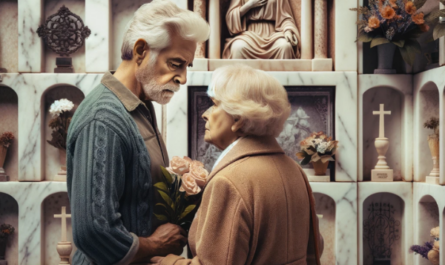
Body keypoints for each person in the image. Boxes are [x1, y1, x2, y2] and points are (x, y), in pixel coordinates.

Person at [66, 1, 210, 264]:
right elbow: (93, 232)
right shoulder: (104, 118)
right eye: (176, 63)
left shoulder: (140, 106)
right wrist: (154, 244)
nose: (183, 78)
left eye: (187, 66)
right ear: (141, 50)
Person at [153, 64, 323, 265]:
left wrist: (164, 261)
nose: (205, 114)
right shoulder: (294, 170)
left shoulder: (229, 181)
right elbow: (315, 249)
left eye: (215, 104)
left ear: (238, 119)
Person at [223, 0, 300, 59]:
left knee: (285, 46)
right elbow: (230, 17)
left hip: (273, 34)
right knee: (238, 47)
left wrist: (287, 31)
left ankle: (281, 79)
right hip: (249, 35)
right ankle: (242, 79)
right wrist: (249, 5)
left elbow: (285, 17)